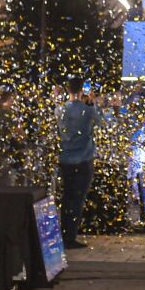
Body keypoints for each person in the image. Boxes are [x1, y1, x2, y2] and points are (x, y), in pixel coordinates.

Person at [58, 79, 105, 250]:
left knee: (66, 197)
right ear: (82, 91)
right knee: (77, 199)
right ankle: (70, 236)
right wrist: (94, 104)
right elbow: (103, 124)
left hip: (65, 159)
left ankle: (63, 233)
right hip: (83, 159)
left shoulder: (59, 110)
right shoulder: (88, 111)